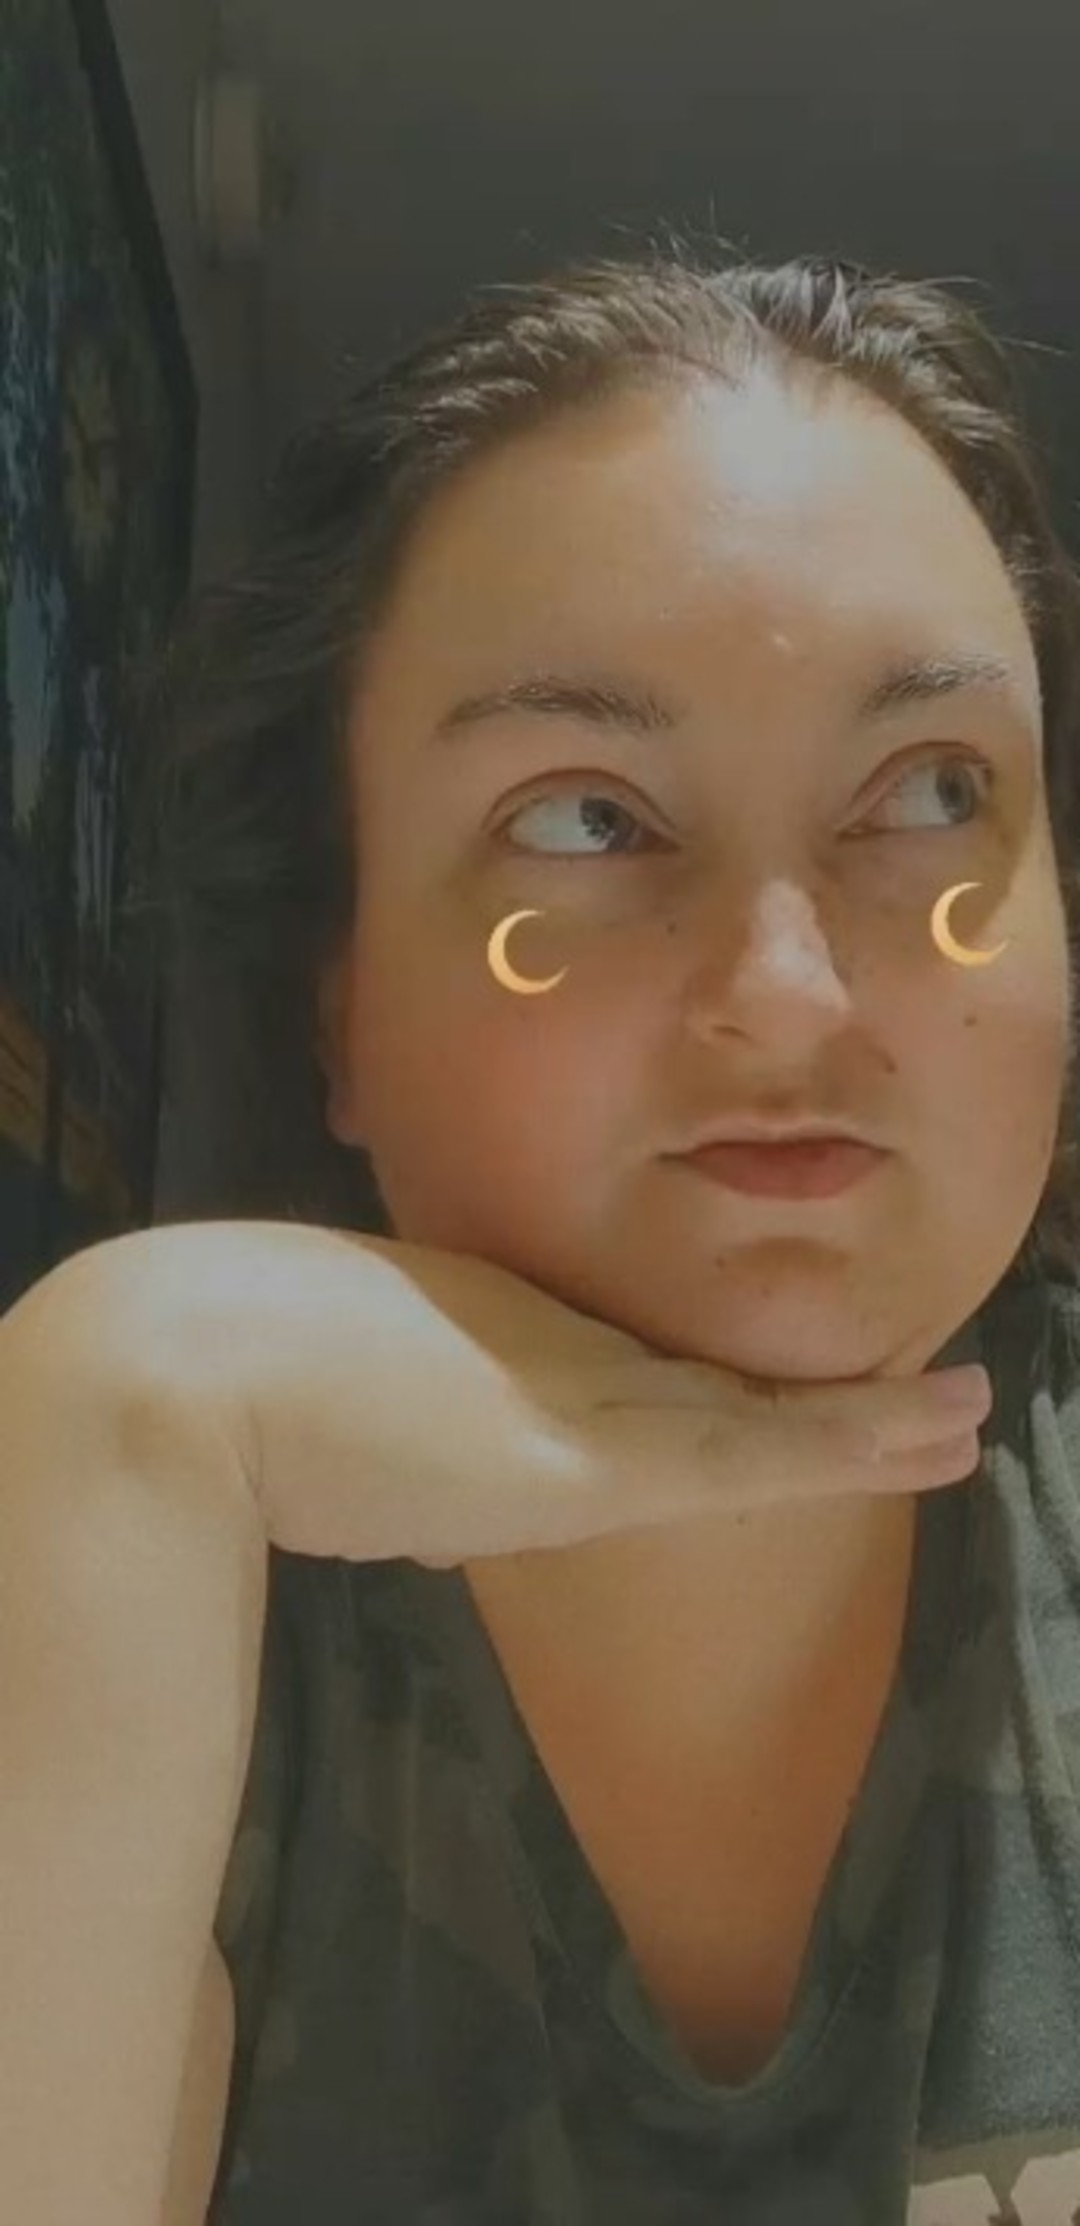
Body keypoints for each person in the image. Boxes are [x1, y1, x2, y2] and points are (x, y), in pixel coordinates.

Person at [6, 230, 1080, 2223]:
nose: (789, 998)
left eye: (933, 790)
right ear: (336, 1007)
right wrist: (109, 1402)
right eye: (585, 816)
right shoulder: (169, 1637)